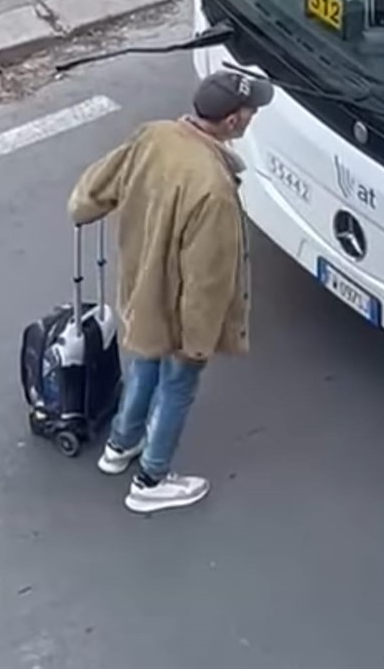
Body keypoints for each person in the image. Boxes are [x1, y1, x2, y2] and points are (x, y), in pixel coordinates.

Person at [67, 69, 274, 514]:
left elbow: (91, 194)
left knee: (144, 363)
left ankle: (120, 445)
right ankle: (151, 479)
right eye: (251, 109)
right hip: (178, 311)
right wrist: (198, 344)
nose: (254, 114)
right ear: (234, 122)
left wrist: (84, 209)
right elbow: (207, 280)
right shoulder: (214, 190)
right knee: (177, 384)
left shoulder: (153, 136)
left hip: (140, 291)